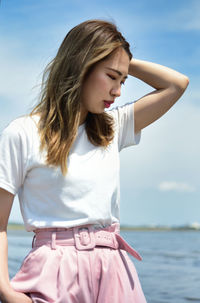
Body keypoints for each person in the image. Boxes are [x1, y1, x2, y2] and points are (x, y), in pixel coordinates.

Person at [0, 19, 189, 303]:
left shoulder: (113, 127)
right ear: (81, 66)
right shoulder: (22, 133)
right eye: (112, 77)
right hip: (53, 274)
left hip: (114, 271)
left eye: (123, 80)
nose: (118, 91)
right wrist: (5, 291)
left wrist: (122, 60)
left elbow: (176, 84)